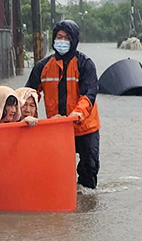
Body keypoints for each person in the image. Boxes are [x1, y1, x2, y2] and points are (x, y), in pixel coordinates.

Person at [25, 20, 101, 189]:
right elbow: (29, 95)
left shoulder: (85, 64)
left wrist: (77, 114)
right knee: (56, 170)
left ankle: (85, 205)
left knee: (89, 168)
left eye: (67, 38)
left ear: (74, 40)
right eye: (59, 37)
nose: (62, 41)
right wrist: (25, 114)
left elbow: (89, 95)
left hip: (85, 127)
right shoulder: (42, 66)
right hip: (56, 127)